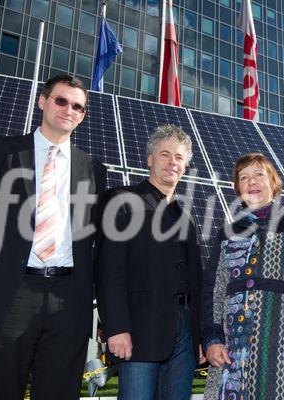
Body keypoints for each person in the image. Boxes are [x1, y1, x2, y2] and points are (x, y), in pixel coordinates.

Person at [0, 75, 107, 400]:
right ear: (43, 101)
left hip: (69, 301)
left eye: (78, 106)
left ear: (83, 115)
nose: (69, 109)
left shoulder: (93, 168)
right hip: (11, 295)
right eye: (61, 100)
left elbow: (94, 237)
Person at [201, 152, 284, 399]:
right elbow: (212, 291)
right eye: (244, 178)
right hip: (233, 351)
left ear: (273, 183)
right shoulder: (226, 235)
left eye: (259, 175)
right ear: (237, 188)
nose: (252, 182)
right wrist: (212, 338)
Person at [95, 124, 203, 400]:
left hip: (185, 335)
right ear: (150, 159)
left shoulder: (186, 218)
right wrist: (116, 328)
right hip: (140, 328)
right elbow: (109, 271)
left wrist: (199, 336)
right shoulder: (123, 200)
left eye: (179, 157)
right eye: (165, 154)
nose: (172, 162)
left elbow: (196, 280)